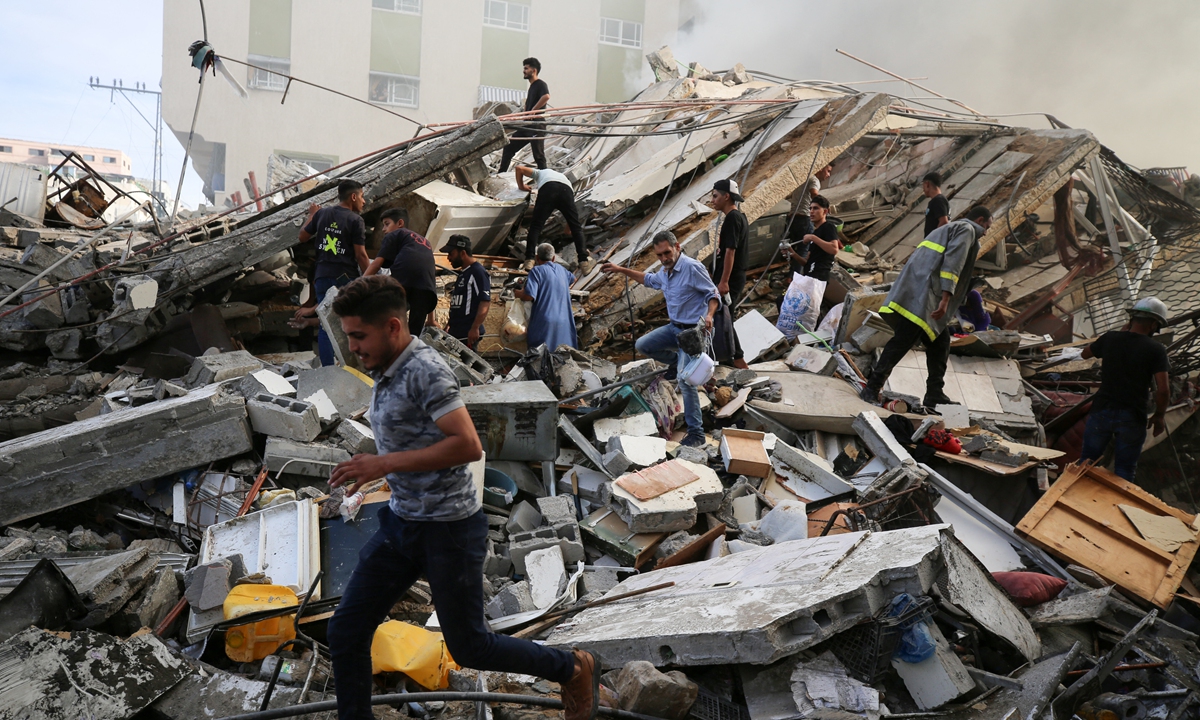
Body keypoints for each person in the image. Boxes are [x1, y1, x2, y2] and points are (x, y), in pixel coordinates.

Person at [325, 275, 599, 720]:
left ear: (393, 327)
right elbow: (412, 436)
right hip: (403, 523)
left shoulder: (425, 371)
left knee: (470, 647)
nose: (353, 346)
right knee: (346, 631)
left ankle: (571, 666)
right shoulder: (388, 370)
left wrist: (384, 465)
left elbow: (468, 445)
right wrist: (376, 465)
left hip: (449, 530)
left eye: (359, 335)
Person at [860, 206, 992, 408]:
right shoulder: (967, 230)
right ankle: (872, 387)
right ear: (980, 220)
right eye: (987, 227)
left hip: (919, 291)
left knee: (941, 343)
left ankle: (934, 393)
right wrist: (946, 299)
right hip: (926, 297)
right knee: (903, 340)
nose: (986, 232)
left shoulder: (949, 228)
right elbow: (952, 264)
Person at [601, 231, 719, 447]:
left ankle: (697, 433)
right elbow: (647, 279)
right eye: (660, 255)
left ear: (677, 247)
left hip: (693, 333)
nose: (664, 258)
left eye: (667, 252)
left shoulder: (692, 268)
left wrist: (710, 315)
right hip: (674, 328)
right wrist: (620, 270)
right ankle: (675, 363)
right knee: (642, 345)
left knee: (686, 381)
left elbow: (714, 294)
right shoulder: (665, 272)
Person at [1079, 297, 1170, 482]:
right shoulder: (1156, 349)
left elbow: (1085, 353)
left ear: (1131, 319)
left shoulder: (1111, 338)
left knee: (1086, 464)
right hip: (1132, 415)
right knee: (1125, 470)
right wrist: (1159, 416)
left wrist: (1119, 335)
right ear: (1153, 325)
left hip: (1102, 410)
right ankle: (1118, 507)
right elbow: (1163, 390)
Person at [293, 179, 369, 366]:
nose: (364, 201)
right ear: (353, 196)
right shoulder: (355, 220)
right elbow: (360, 255)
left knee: (326, 325)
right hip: (344, 277)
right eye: (362, 196)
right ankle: (356, 369)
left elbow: (302, 236)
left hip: (322, 276)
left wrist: (312, 215)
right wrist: (371, 280)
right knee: (354, 321)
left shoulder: (322, 214)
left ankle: (328, 370)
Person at [363, 207, 438, 339]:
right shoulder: (425, 242)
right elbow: (429, 283)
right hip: (426, 290)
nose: (383, 229)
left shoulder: (395, 234)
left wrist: (360, 284)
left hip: (403, 279)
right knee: (414, 333)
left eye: (387, 224)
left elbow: (376, 263)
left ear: (400, 223)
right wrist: (431, 319)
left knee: (387, 313)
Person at [515, 164, 591, 274]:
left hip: (548, 188)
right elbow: (572, 221)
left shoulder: (540, 173)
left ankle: (529, 260)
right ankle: (584, 263)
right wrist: (568, 229)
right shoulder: (565, 180)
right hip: (566, 191)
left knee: (536, 226)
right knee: (576, 228)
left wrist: (522, 186)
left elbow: (519, 168)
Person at [709, 178, 749, 369]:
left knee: (725, 319)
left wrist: (724, 281)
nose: (712, 200)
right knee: (722, 319)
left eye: (715, 196)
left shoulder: (733, 218)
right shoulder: (737, 217)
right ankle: (727, 360)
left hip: (730, 278)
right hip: (731, 276)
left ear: (727, 196)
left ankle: (739, 361)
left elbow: (730, 251)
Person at [515, 243, 577, 351]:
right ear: (553, 258)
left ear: (537, 257)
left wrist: (519, 294)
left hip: (544, 322)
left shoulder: (536, 271)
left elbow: (529, 296)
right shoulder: (562, 270)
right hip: (565, 320)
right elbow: (573, 279)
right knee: (565, 356)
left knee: (541, 357)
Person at [498, 57, 549, 172]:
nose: (524, 71)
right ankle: (501, 174)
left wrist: (534, 110)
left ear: (534, 70)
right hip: (527, 125)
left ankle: (546, 181)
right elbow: (528, 105)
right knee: (509, 147)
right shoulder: (532, 87)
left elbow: (546, 96)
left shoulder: (540, 84)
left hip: (537, 125)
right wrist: (524, 112)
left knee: (539, 156)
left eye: (526, 68)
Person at [441, 235, 491, 348]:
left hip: (467, 333)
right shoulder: (464, 273)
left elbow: (485, 301)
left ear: (463, 253)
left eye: (451, 253)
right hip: (456, 331)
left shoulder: (478, 272)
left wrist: (475, 328)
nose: (448, 258)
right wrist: (450, 324)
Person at [782, 194, 840, 283]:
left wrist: (812, 238)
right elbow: (806, 263)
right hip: (810, 277)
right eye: (810, 208)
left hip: (818, 278)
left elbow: (834, 249)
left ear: (825, 211)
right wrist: (792, 253)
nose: (811, 211)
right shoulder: (815, 233)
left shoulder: (828, 227)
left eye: (815, 208)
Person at [787, 164, 833, 241]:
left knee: (795, 247)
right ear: (820, 168)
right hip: (804, 219)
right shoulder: (814, 180)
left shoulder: (804, 179)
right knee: (804, 249)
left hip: (792, 218)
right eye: (828, 171)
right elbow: (814, 194)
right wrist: (825, 206)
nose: (829, 175)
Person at [922, 172, 950, 238]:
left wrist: (932, 238)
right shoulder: (937, 200)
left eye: (923, 185)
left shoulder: (938, 200)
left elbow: (944, 222)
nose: (923, 189)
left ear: (927, 184)